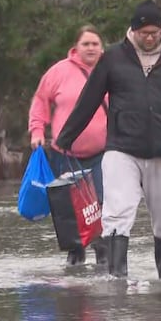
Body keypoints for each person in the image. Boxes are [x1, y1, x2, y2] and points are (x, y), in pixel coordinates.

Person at [55, 0, 161, 279]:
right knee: (116, 212)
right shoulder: (113, 58)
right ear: (133, 31)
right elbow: (89, 99)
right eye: (144, 33)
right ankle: (117, 277)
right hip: (122, 148)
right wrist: (66, 137)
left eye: (154, 32)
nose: (149, 38)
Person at [28, 25, 108, 266]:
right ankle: (76, 256)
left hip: (103, 154)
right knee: (70, 208)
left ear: (101, 47)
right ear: (76, 47)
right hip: (65, 154)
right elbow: (41, 101)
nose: (91, 48)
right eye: (86, 44)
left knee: (101, 204)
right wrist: (37, 131)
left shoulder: (112, 70)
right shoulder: (58, 72)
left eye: (95, 44)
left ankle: (103, 255)